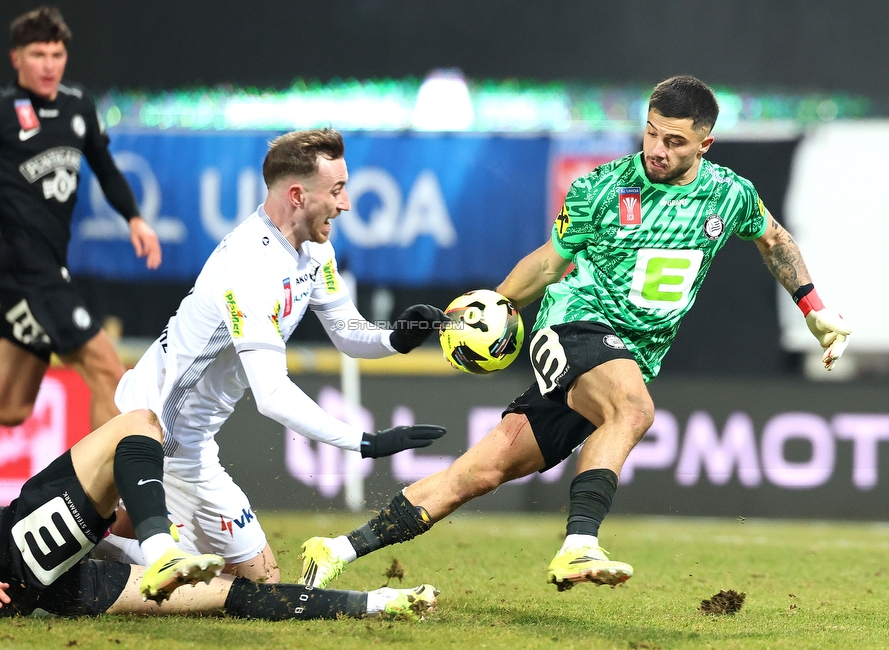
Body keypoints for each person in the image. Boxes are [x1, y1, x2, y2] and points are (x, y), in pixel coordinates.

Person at [296, 75, 852, 593]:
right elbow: (548, 263)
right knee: (633, 410)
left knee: (481, 471)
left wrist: (813, 308)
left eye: (675, 141)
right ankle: (579, 545)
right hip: (574, 327)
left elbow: (774, 239)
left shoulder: (730, 194)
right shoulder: (603, 187)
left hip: (627, 356)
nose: (657, 149)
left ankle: (336, 550)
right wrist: (492, 308)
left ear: (705, 144)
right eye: (651, 133)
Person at [102, 127, 448, 582]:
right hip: (164, 435)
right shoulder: (249, 267)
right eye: (337, 191)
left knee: (229, 568)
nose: (346, 204)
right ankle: (89, 561)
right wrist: (365, 442)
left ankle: (96, 552)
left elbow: (346, 331)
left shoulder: (315, 251)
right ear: (298, 195)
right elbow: (272, 395)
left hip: (188, 435)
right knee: (259, 581)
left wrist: (397, 338)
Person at [0, 409, 438, 620]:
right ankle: (161, 550)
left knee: (230, 595)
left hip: (36, 587)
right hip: (10, 548)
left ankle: (379, 602)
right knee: (138, 423)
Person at [0, 6, 161, 432]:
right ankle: (103, 479)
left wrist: (135, 218)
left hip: (41, 269)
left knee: (8, 408)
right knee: (109, 373)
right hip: (24, 269)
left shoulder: (78, 107)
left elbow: (106, 169)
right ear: (16, 58)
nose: (49, 65)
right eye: (38, 54)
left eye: (56, 54)